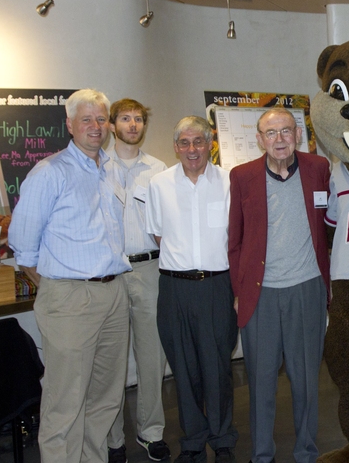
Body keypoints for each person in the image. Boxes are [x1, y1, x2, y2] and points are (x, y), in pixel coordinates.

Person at [8, 88, 131, 462]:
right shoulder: (49, 172)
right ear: (70, 125)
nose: (95, 127)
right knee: (66, 403)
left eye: (101, 119)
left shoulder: (108, 168)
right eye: (86, 119)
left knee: (105, 398)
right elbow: (23, 247)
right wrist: (61, 290)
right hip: (70, 298)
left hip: (113, 293)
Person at [228, 109, 331, 463]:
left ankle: (306, 451)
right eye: (270, 133)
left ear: (297, 134)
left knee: (305, 381)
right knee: (261, 381)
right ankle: (262, 454)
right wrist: (239, 292)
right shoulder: (242, 176)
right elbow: (235, 240)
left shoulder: (319, 169)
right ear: (259, 139)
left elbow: (329, 227)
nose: (279, 139)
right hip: (262, 293)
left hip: (307, 289)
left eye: (286, 130)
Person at [146, 116, 238, 463]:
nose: (191, 149)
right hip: (175, 288)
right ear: (175, 147)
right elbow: (157, 234)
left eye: (198, 141)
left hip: (217, 286)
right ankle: (193, 440)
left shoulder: (230, 183)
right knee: (183, 369)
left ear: (210, 143)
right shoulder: (158, 184)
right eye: (184, 143)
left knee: (218, 366)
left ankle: (223, 437)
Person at [106, 98, 170, 463]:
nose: (133, 125)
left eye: (138, 119)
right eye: (125, 119)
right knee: (111, 362)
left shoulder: (158, 169)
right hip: (110, 273)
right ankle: (114, 440)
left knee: (151, 357)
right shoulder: (98, 167)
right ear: (113, 125)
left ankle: (151, 432)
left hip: (149, 270)